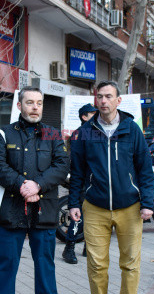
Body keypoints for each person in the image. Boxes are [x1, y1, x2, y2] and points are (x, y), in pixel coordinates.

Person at [69, 81, 154, 294]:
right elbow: (77, 171)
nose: (103, 101)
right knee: (97, 265)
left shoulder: (132, 129)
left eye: (108, 96)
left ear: (118, 100)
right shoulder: (85, 132)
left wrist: (147, 203)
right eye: (100, 97)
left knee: (131, 263)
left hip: (130, 207)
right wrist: (73, 203)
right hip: (95, 206)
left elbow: (144, 169)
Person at [0, 87, 69, 294]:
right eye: (30, 102)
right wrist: (22, 184)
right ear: (19, 105)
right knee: (5, 265)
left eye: (39, 103)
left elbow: (62, 166)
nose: (35, 107)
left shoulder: (53, 134)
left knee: (45, 267)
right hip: (10, 210)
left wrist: (38, 185)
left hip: (43, 210)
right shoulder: (4, 133)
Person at [62, 103, 98, 264]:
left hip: (95, 182)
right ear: (84, 116)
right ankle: (69, 247)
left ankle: (87, 248)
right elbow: (77, 163)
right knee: (79, 216)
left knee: (94, 217)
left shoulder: (96, 132)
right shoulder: (79, 134)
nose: (96, 115)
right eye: (92, 113)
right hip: (81, 182)